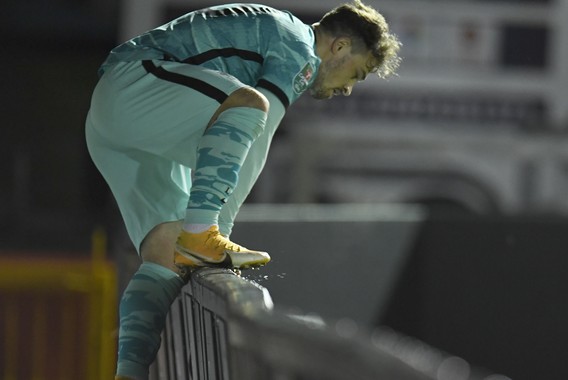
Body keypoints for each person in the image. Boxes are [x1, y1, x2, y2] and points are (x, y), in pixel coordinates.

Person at [85, 1, 400, 379]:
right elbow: (257, 137)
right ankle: (203, 232)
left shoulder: (281, 28)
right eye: (358, 72)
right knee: (251, 105)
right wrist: (217, 233)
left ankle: (128, 372)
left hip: (119, 119)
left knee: (166, 255)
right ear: (339, 47)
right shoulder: (300, 48)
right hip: (134, 89)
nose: (348, 89)